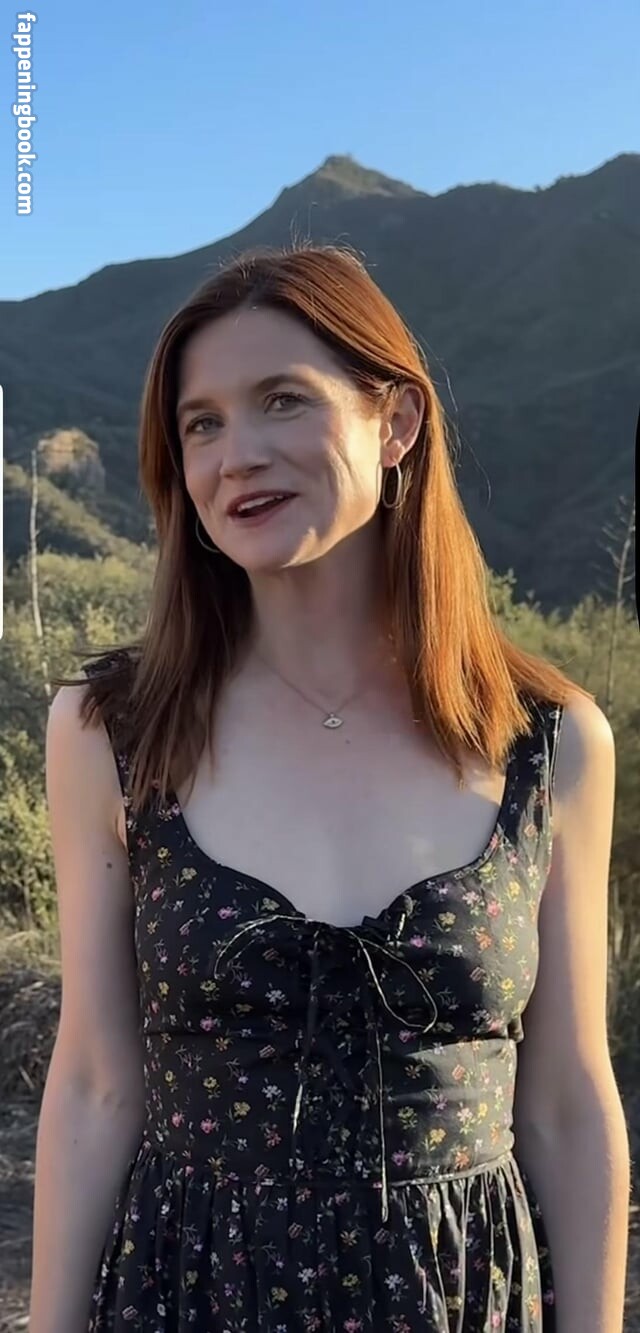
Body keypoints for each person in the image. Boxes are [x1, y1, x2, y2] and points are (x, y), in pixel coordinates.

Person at [29, 242, 629, 1333]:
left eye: (282, 400)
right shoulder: (112, 730)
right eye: (201, 423)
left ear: (395, 423)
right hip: (193, 1293)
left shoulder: (551, 743)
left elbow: (567, 1101)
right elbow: (94, 1085)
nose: (237, 455)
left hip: (457, 1298)